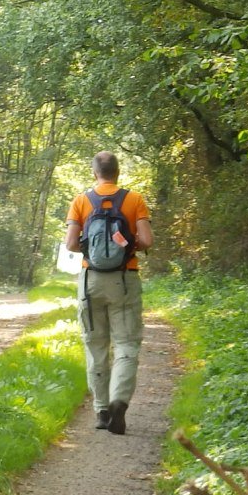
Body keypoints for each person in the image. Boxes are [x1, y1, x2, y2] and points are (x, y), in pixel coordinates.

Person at [64, 151, 154, 435]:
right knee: (126, 344)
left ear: (95, 173)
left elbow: (71, 245)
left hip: (91, 280)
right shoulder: (134, 199)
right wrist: (126, 246)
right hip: (125, 279)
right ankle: (119, 401)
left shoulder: (81, 201)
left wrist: (93, 247)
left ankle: (102, 411)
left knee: (96, 345)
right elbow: (147, 240)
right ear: (118, 172)